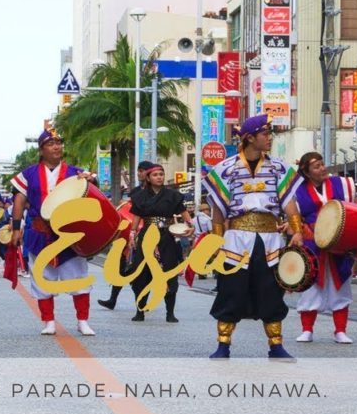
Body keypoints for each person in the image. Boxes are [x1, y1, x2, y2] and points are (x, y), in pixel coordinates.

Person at [202, 113, 304, 359]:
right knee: (231, 290)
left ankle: (276, 345)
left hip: (270, 238)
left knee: (271, 290)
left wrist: (297, 230)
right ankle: (223, 345)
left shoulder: (279, 167)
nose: (269, 138)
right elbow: (218, 211)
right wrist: (216, 242)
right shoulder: (225, 169)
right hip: (236, 238)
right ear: (249, 138)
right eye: (265, 134)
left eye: (270, 134)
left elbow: (289, 202)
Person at [10, 127, 96, 336]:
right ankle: (48, 321)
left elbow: (91, 194)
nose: (56, 146)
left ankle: (82, 320)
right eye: (50, 143)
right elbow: (19, 201)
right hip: (40, 233)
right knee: (42, 278)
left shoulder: (76, 172)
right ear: (41, 150)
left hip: (69, 234)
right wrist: (15, 229)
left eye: (58, 142)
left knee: (78, 277)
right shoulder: (28, 174)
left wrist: (90, 181)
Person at [291, 152, 356, 344]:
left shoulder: (340, 185)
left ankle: (340, 330)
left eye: (322, 164)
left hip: (339, 243)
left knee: (341, 286)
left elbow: (354, 209)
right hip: (312, 244)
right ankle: (307, 329)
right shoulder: (298, 190)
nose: (322, 169)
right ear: (307, 172)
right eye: (317, 166)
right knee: (310, 287)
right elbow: (295, 218)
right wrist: (299, 231)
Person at [126, 163, 194, 323]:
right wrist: (132, 235)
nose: (159, 177)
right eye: (155, 175)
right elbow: (136, 219)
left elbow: (184, 213)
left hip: (166, 237)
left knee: (169, 271)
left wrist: (190, 226)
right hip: (147, 237)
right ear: (148, 178)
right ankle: (140, 310)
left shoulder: (173, 195)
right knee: (141, 273)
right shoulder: (140, 196)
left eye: (161, 174)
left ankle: (170, 313)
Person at [98, 160, 155, 310]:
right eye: (139, 170)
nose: (139, 173)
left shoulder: (157, 191)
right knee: (120, 269)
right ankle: (112, 300)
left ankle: (143, 303)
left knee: (144, 272)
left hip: (147, 235)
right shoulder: (136, 191)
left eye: (142, 170)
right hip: (128, 237)